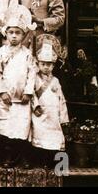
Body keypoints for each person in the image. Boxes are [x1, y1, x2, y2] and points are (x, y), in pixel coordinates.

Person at [0, 5, 37, 168]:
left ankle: (23, 156)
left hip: (22, 99)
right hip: (7, 98)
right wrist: (2, 91)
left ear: (23, 35)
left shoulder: (27, 54)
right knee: (7, 128)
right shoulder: (1, 52)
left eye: (17, 33)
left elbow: (32, 73)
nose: (14, 36)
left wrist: (28, 92)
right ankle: (9, 155)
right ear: (6, 33)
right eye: (11, 32)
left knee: (22, 127)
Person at [31, 34, 69, 168]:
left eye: (49, 64)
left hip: (53, 115)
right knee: (41, 136)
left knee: (54, 137)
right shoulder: (34, 79)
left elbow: (61, 100)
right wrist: (35, 106)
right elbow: (32, 95)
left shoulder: (56, 81)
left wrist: (63, 117)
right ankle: (42, 161)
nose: (46, 67)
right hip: (41, 113)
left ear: (53, 65)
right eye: (43, 64)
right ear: (38, 64)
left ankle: (56, 162)